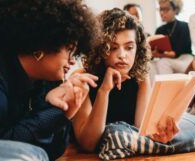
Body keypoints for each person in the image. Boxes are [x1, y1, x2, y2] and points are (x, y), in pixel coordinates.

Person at [0, 0, 99, 160]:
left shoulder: (48, 80)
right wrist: (51, 110)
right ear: (44, 41)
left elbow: (54, 151)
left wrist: (66, 112)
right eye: (69, 49)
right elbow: (4, 147)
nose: (72, 60)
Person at [71, 8, 179, 152]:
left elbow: (142, 130)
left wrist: (159, 136)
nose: (122, 55)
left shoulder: (141, 78)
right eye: (113, 48)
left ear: (137, 48)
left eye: (129, 47)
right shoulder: (83, 78)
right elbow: (88, 144)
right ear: (100, 49)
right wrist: (104, 91)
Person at [150, 0, 193, 78]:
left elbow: (178, 52)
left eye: (166, 9)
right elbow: (156, 51)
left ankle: (168, 89)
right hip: (167, 59)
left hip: (185, 59)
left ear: (175, 10)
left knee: (163, 62)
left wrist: (160, 54)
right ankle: (154, 90)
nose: (162, 13)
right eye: (160, 9)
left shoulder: (184, 26)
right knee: (150, 64)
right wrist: (154, 53)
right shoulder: (159, 30)